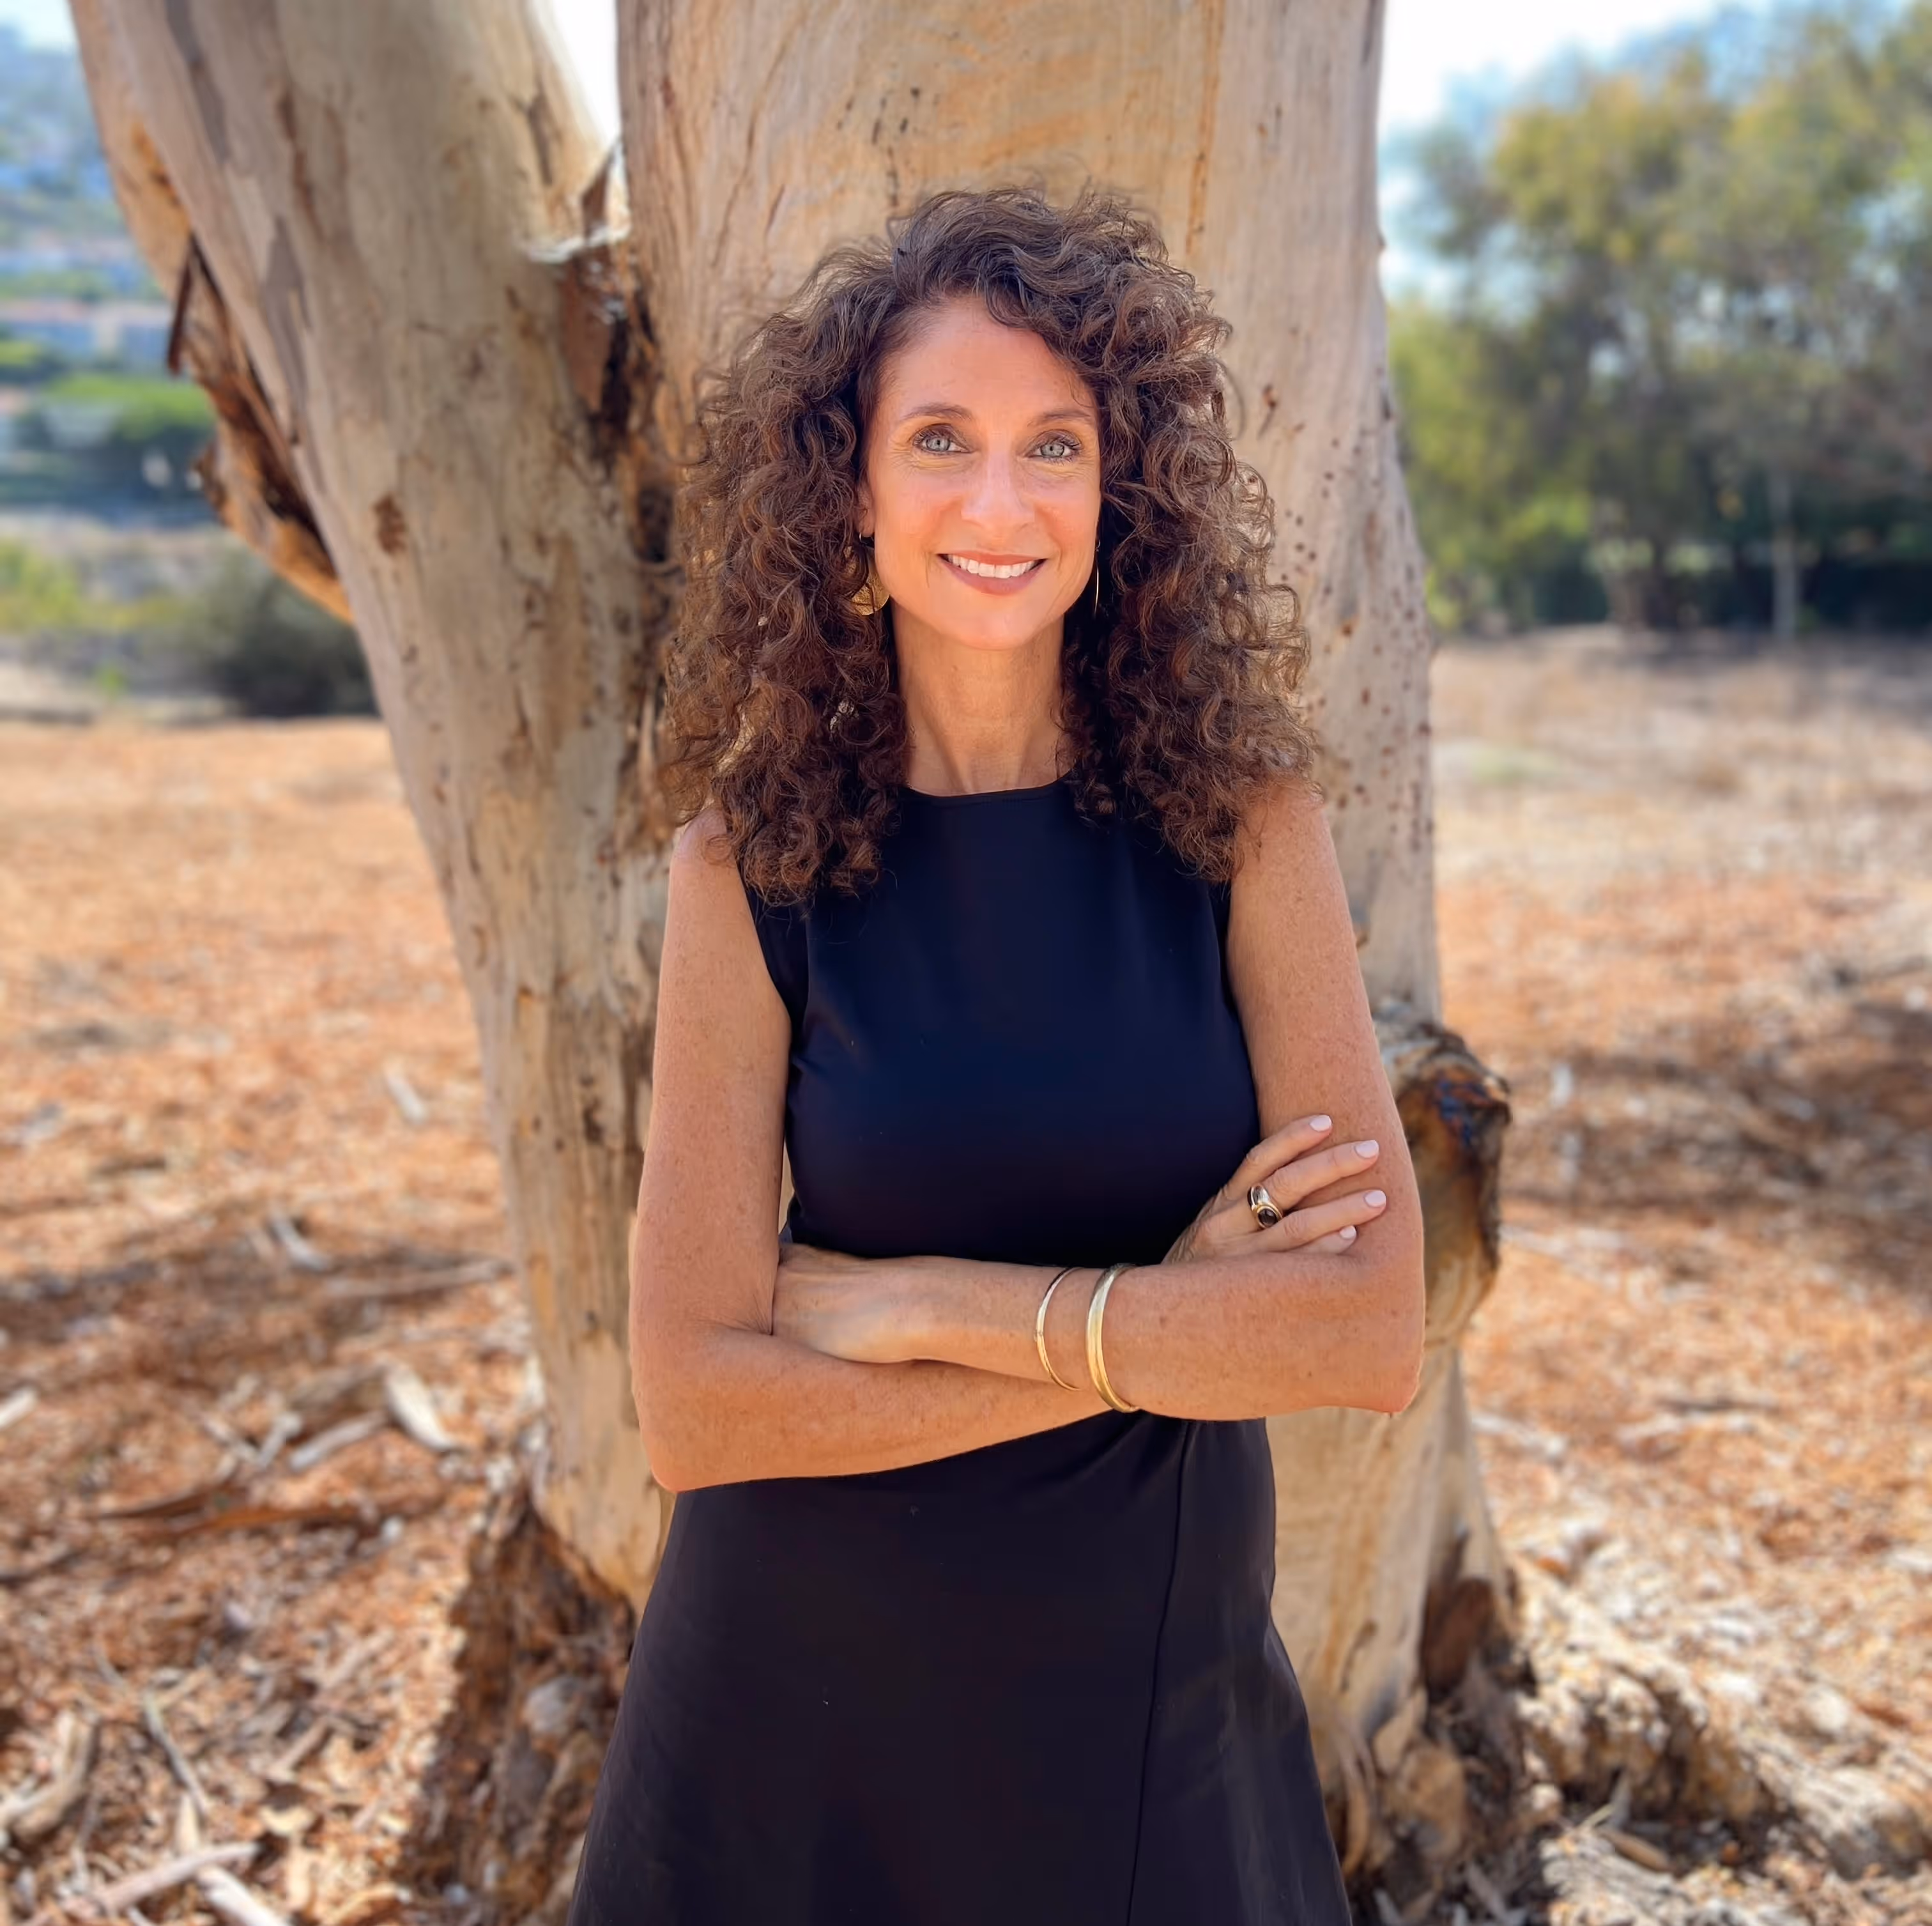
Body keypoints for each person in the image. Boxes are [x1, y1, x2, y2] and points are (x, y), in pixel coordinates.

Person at [565, 180, 1425, 1925]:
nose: (998, 501)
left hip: (1144, 1707)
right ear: (853, 491)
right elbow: (699, 1408)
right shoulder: (749, 864)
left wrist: (921, 1302)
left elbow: (1366, 1326)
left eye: (1056, 446)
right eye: (941, 440)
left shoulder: (1244, 830)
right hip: (792, 1717)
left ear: (1120, 495)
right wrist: (1157, 1326)